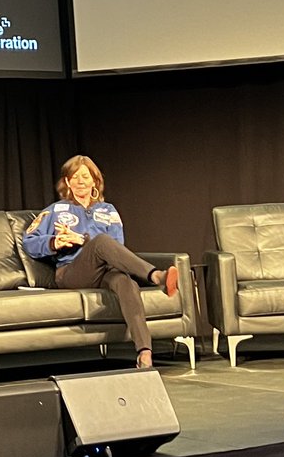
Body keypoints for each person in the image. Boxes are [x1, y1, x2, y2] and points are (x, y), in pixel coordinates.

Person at [22, 154, 178, 370]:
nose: (80, 181)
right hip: (71, 272)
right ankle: (155, 276)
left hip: (104, 272)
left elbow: (117, 247)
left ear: (94, 181)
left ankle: (144, 353)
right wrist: (55, 241)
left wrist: (85, 241)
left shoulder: (108, 210)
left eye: (85, 176)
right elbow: (29, 242)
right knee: (100, 241)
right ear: (67, 182)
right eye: (74, 177)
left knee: (126, 283)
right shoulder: (56, 210)